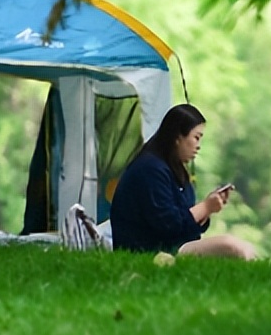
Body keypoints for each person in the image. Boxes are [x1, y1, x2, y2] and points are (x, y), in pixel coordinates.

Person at [110, 103, 256, 259]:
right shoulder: (150, 169)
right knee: (232, 246)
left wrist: (208, 209)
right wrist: (205, 207)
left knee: (244, 247)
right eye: (196, 138)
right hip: (151, 250)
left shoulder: (175, 170)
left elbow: (185, 220)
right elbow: (169, 225)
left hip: (172, 246)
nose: (198, 146)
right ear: (178, 137)